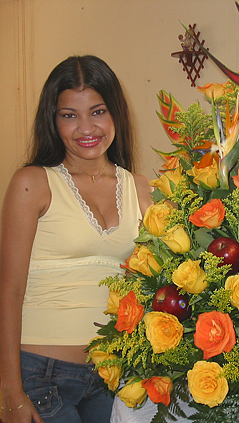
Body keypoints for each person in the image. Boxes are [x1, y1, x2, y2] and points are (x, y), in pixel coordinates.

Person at [0, 55, 153, 423]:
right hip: (40, 376)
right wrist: (10, 392)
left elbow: (148, 286)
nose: (86, 127)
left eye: (97, 111)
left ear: (116, 113)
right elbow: (9, 291)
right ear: (53, 120)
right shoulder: (32, 183)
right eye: (69, 115)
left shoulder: (142, 189)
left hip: (112, 377)